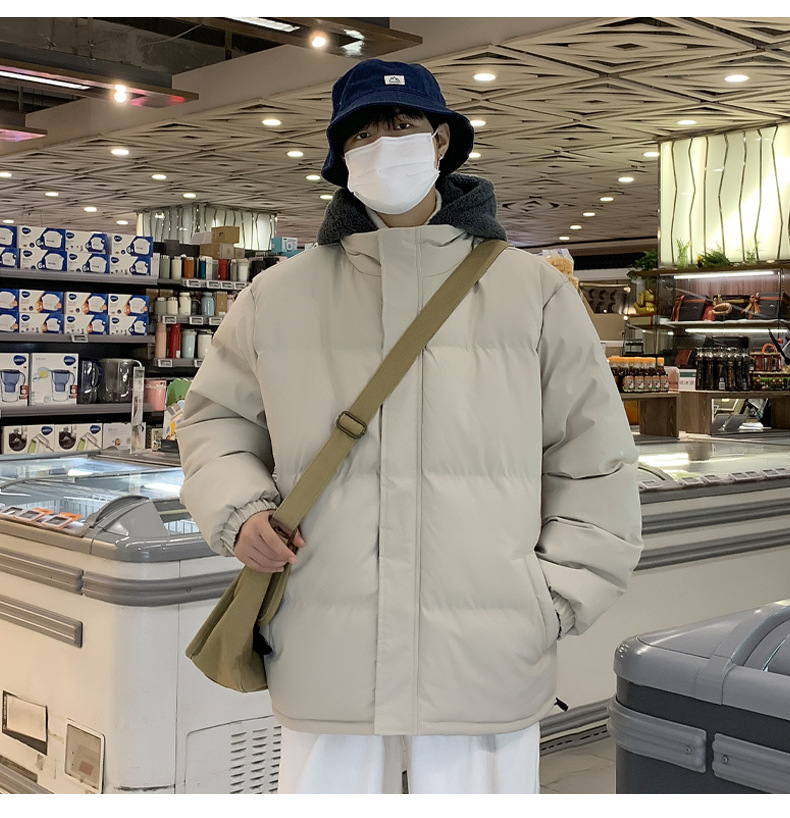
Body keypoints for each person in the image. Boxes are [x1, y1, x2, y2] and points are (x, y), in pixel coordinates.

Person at [177, 58, 643, 794]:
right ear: (340, 157)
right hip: (327, 632)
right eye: (361, 134)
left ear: (441, 142)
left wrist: (552, 599)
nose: (382, 146)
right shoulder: (278, 296)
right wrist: (239, 511)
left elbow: (593, 457)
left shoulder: (531, 293)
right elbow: (215, 421)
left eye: (402, 126)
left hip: (487, 640)